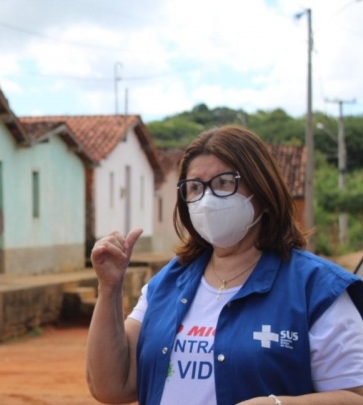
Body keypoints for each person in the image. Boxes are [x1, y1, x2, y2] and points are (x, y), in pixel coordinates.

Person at [86, 125, 363, 405]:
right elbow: (111, 386)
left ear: (263, 194)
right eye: (195, 187)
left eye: (224, 182)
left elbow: (356, 397)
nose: (207, 200)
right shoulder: (166, 285)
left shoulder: (317, 290)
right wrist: (110, 288)